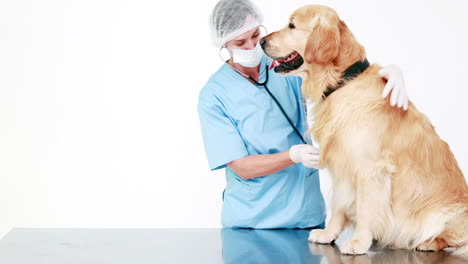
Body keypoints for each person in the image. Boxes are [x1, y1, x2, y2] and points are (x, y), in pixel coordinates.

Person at [198, 0, 408, 229]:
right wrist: (293, 155)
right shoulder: (214, 94)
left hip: (305, 215)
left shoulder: (284, 63)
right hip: (252, 222)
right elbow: (241, 167)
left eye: (256, 36)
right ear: (223, 44)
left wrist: (381, 75)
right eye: (240, 42)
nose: (251, 47)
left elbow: (334, 72)